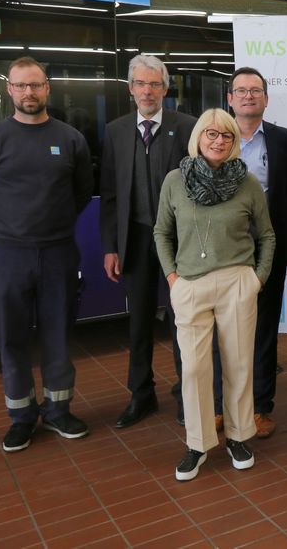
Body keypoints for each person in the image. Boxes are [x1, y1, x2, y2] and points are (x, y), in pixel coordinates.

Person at [0, 56, 93, 452]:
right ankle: (21, 417)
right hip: (6, 257)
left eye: (35, 85)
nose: (29, 93)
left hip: (58, 254)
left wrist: (47, 230)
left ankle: (58, 410)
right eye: (21, 86)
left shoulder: (71, 139)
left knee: (57, 335)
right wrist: (6, 232)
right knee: (11, 339)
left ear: (47, 88)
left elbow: (82, 192)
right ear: (10, 90)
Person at [154, 109, 275, 481]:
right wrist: (173, 278)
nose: (218, 141)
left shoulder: (248, 183)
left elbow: (267, 235)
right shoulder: (175, 181)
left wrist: (256, 279)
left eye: (226, 135)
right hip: (190, 285)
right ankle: (198, 443)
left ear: (234, 140)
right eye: (211, 134)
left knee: (239, 365)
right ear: (198, 138)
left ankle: (239, 437)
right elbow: (162, 232)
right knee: (193, 369)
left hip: (237, 283)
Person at [100, 54, 202, 429]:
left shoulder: (188, 127)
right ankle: (141, 395)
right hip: (136, 240)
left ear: (165, 88)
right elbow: (109, 194)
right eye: (140, 84)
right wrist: (110, 246)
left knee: (183, 322)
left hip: (179, 243)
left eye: (154, 84)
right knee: (139, 322)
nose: (147, 91)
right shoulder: (115, 130)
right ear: (130, 90)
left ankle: (185, 396)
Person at [227, 67, 287, 439]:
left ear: (266, 99)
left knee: (264, 330)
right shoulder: (215, 136)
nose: (249, 96)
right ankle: (222, 405)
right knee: (222, 330)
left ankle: (260, 407)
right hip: (222, 253)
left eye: (256, 91)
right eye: (242, 91)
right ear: (230, 99)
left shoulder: (285, 140)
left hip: (267, 250)